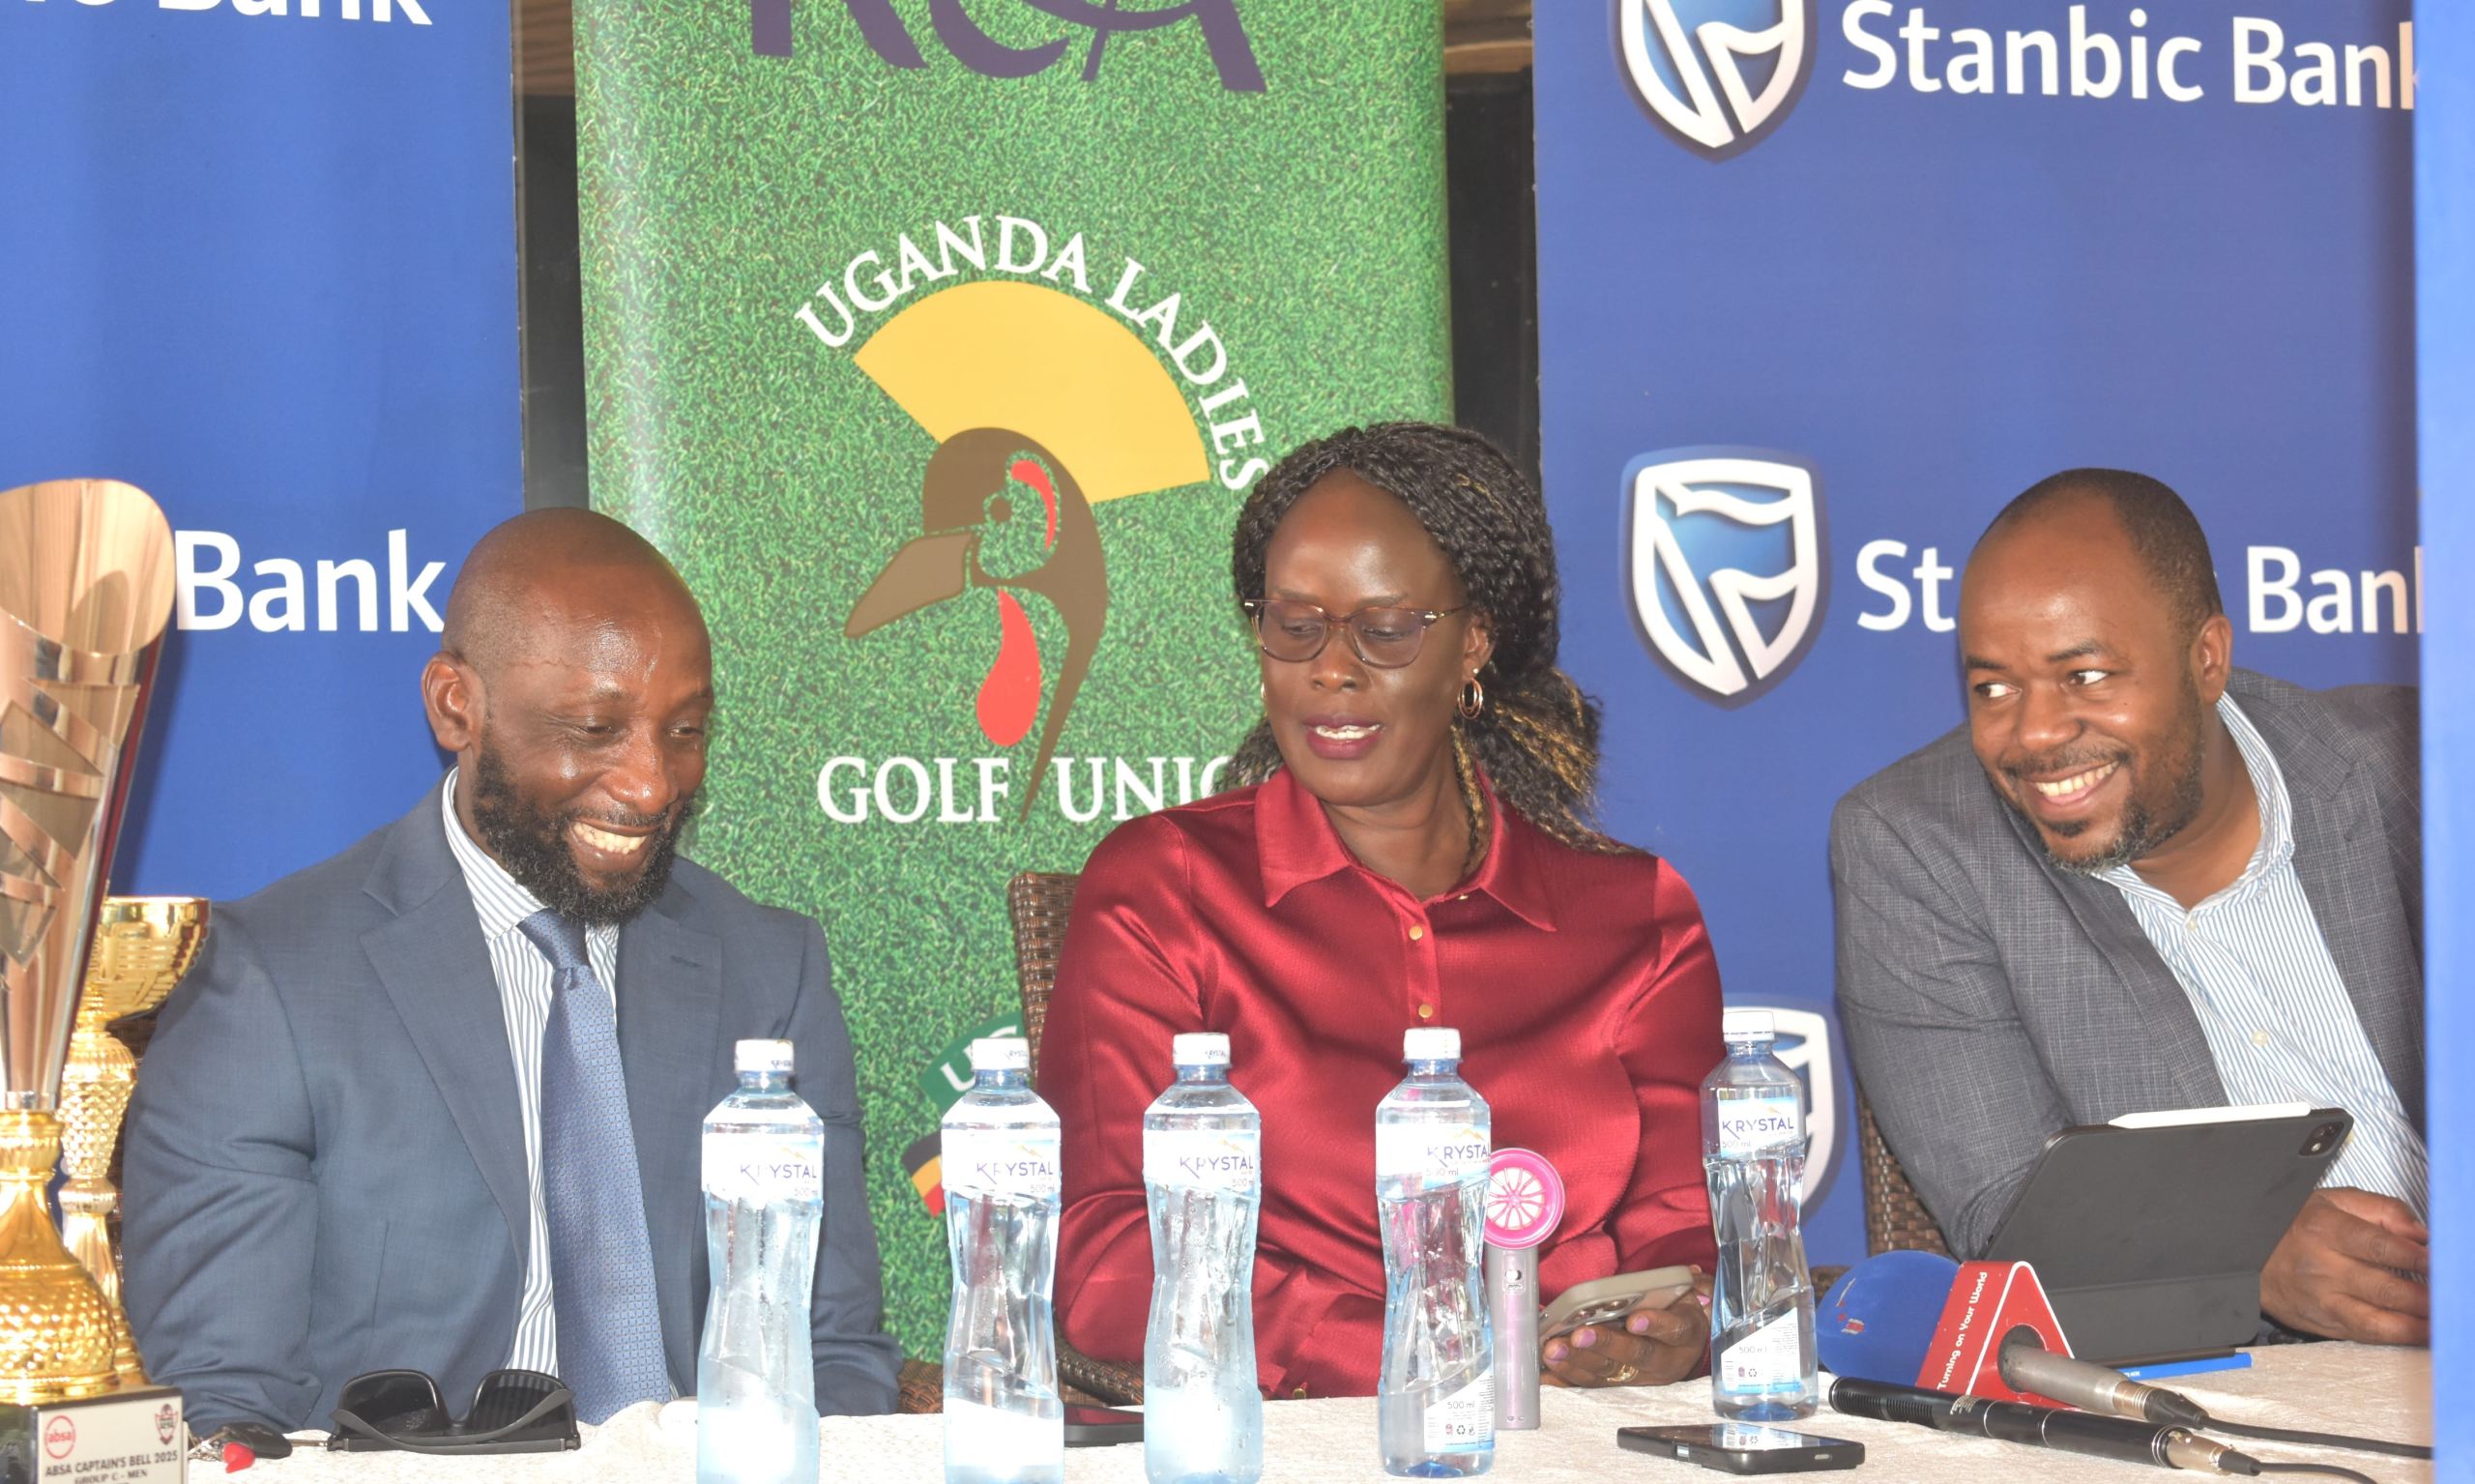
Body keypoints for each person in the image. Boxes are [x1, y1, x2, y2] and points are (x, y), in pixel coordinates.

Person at [124, 509, 901, 1432]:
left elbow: (834, 1354)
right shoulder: (268, 978)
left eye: (685, 730)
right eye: (595, 727)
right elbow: (224, 1402)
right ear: (459, 705)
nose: (652, 784)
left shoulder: (772, 971)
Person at [1041, 422, 1724, 1399]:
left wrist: (1671, 1322)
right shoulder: (1167, 887)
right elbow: (1105, 1256)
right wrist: (1432, 1349)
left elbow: (1686, 1226)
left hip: (1582, 1437)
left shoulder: (1636, 917)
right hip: (1292, 1441)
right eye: (1295, 624)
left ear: (1472, 643)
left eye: (1384, 629)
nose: (1331, 667)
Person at [1833, 469, 2427, 1347]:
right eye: (1993, 686)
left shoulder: (2409, 764)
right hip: (2266, 1404)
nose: (2033, 732)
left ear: (2207, 658)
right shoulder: (1920, 845)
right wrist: (2245, 1256)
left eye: (2085, 674)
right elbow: (2006, 1224)